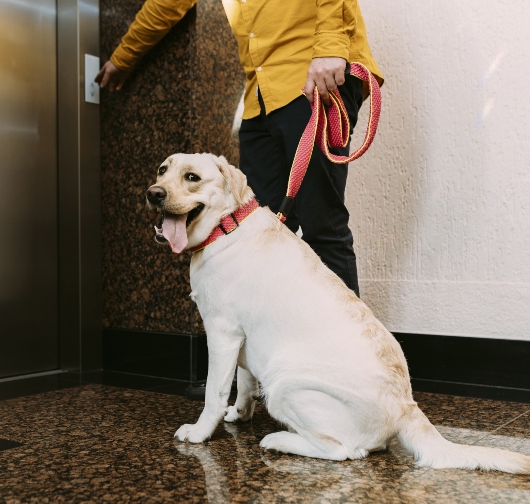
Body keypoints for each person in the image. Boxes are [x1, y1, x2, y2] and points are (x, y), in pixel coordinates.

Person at [96, 0, 383, 297]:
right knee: (259, 234)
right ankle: (277, 340)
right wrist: (123, 57)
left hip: (312, 78)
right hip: (260, 98)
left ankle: (349, 343)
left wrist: (330, 46)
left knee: (322, 225)